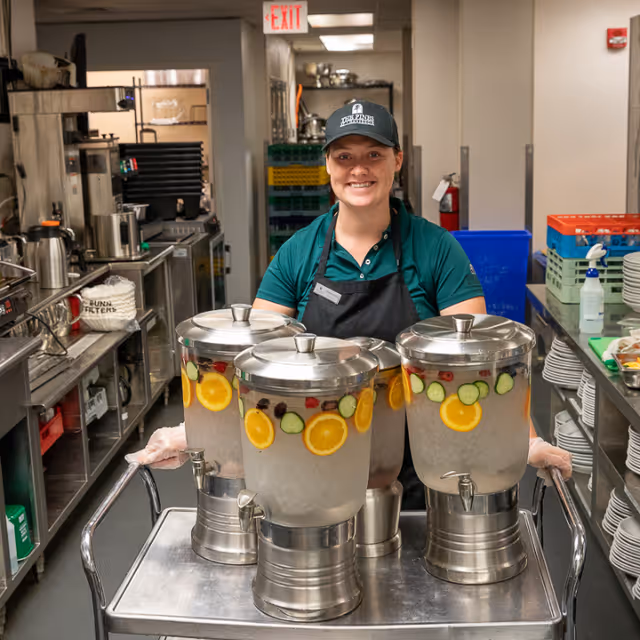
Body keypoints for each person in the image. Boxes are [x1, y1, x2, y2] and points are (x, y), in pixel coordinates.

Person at [133, 101, 571, 499]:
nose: (358, 169)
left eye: (373, 155)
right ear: (327, 165)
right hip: (312, 456)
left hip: (422, 467)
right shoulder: (299, 252)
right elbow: (253, 363)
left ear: (397, 160)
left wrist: (525, 441)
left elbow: (481, 363)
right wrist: (193, 430)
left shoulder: (436, 249)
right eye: (344, 156)